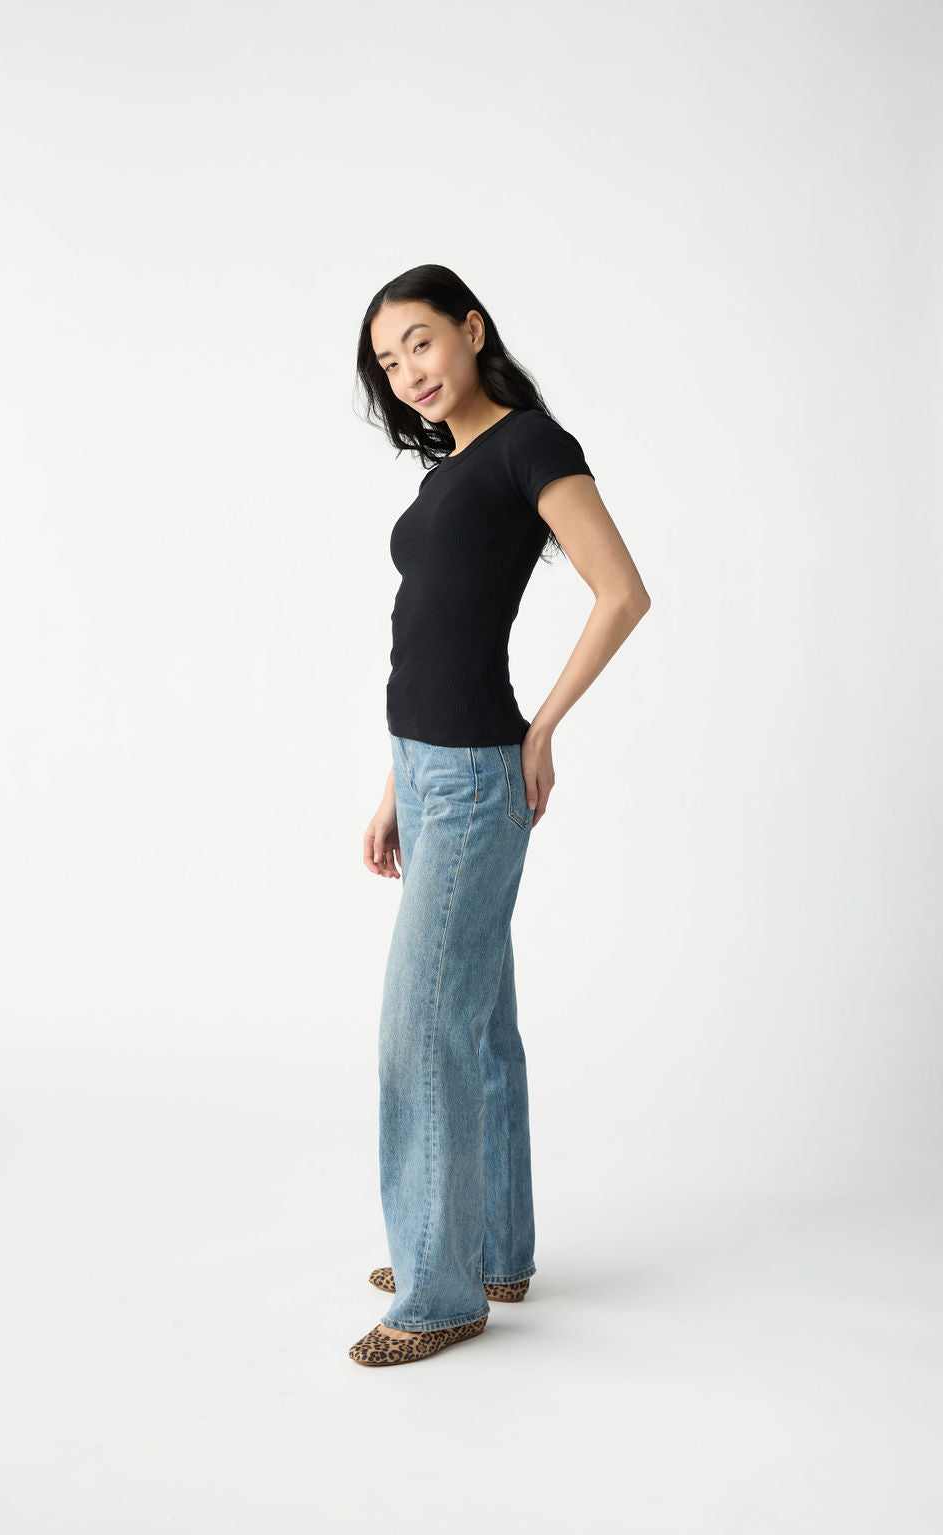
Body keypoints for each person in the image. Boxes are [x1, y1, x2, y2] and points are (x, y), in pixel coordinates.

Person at [348, 265, 651, 1367]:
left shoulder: (531, 445)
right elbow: (422, 639)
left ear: (472, 329)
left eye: (420, 343)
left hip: (478, 778)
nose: (409, 373)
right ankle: (490, 1245)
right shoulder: (445, 475)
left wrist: (543, 728)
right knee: (474, 1023)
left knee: (417, 1029)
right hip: (424, 773)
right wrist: (393, 785)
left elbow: (621, 589)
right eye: (389, 362)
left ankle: (438, 1292)